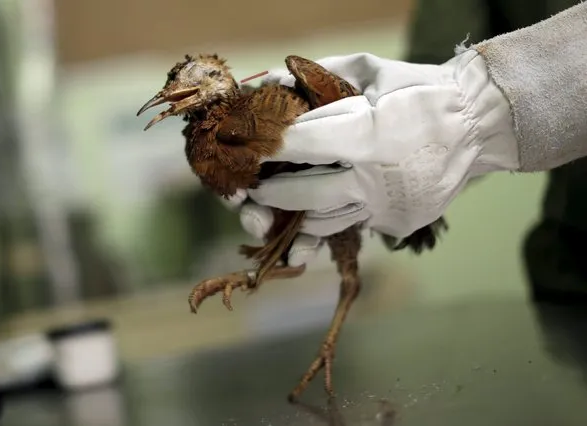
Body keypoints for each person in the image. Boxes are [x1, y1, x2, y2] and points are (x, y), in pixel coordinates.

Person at [226, 2, 587, 300]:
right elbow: (429, 74)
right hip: (569, 272)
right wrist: (373, 151)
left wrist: (473, 111)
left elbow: (450, 113)